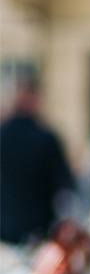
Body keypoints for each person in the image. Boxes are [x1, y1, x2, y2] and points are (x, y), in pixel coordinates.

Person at [0, 76, 75, 244]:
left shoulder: (3, 135)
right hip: (38, 230)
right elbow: (64, 187)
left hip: (5, 229)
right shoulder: (46, 138)